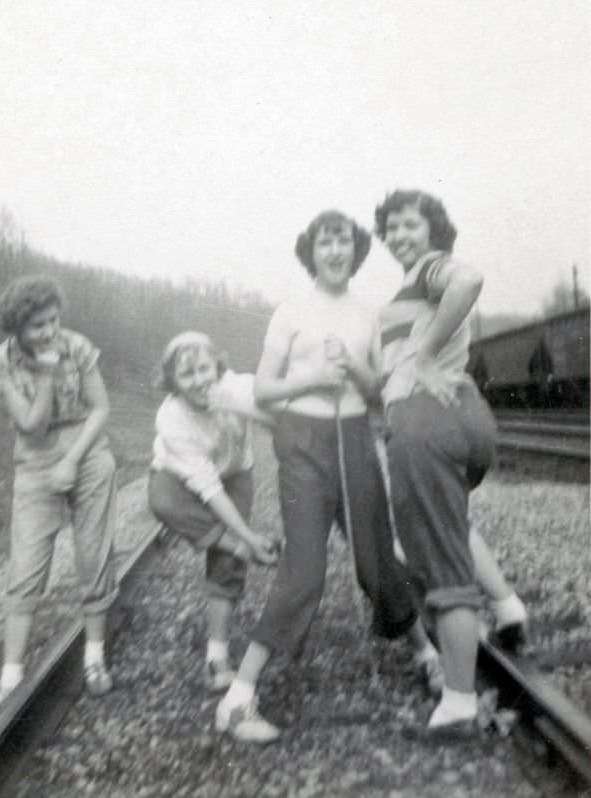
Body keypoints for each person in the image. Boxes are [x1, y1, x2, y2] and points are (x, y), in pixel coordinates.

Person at [215, 210, 442, 744]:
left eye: (344, 241)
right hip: (302, 444)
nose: (336, 251)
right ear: (311, 252)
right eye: (325, 242)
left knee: (376, 563)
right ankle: (238, 698)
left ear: (356, 250)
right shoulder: (290, 311)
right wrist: (313, 374)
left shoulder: (369, 315)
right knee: (306, 571)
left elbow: (375, 388)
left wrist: (355, 368)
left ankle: (428, 656)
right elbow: (266, 390)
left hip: (355, 441)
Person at [373, 188, 521, 737]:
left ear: (433, 230)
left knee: (442, 568)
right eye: (390, 228)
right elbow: (390, 373)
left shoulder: (432, 269)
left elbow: (469, 281)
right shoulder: (407, 291)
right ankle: (507, 609)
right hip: (464, 416)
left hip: (427, 424)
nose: (397, 236)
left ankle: (459, 702)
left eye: (409, 225)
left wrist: (424, 356)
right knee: (442, 537)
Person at [0, 274, 119, 721]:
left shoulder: (78, 345)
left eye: (54, 320)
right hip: (35, 463)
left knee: (93, 557)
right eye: (38, 325)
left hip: (87, 454)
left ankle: (94, 658)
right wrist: (48, 373)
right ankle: (9, 681)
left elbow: (101, 408)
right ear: (17, 328)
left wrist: (73, 460)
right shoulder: (2, 363)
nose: (50, 331)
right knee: (26, 568)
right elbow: (32, 425)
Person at [148, 331, 280, 693]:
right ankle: (233, 545)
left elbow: (279, 423)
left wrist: (238, 407)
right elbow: (206, 487)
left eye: (204, 368)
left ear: (217, 367)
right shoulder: (171, 418)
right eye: (187, 375)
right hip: (178, 476)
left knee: (225, 565)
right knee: (162, 501)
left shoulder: (238, 387)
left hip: (235, 470)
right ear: (172, 382)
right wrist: (245, 538)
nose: (200, 381)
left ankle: (216, 656)